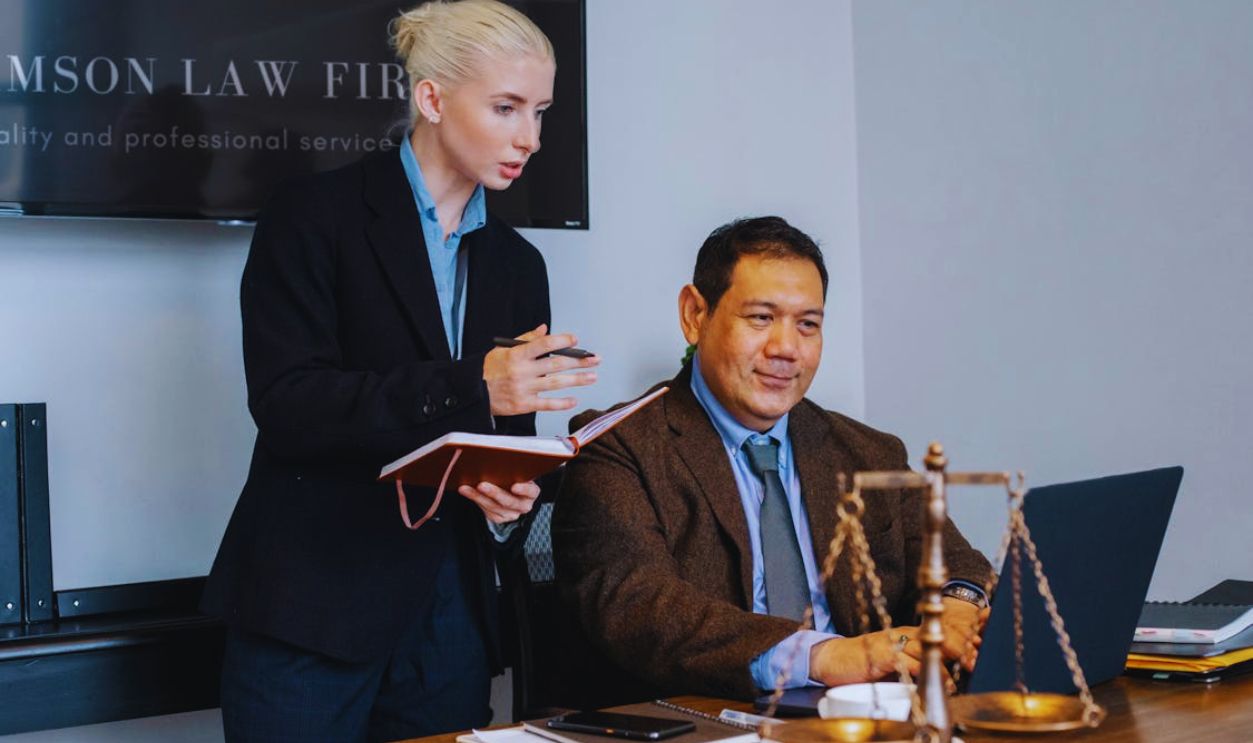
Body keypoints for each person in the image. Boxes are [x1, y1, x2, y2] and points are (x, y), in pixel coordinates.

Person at [201, 1, 598, 740]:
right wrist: (473, 385)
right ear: (431, 97)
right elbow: (290, 405)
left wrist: (511, 493)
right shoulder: (312, 215)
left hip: (449, 619)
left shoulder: (518, 264)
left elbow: (504, 436)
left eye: (540, 112)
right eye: (506, 107)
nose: (530, 138)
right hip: (311, 607)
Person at [552, 216, 992, 702]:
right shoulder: (617, 447)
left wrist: (958, 607)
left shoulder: (868, 451)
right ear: (695, 315)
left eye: (808, 324)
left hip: (861, 721)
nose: (786, 349)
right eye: (761, 318)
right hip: (709, 719)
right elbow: (640, 608)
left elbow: (960, 562)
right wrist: (826, 656)